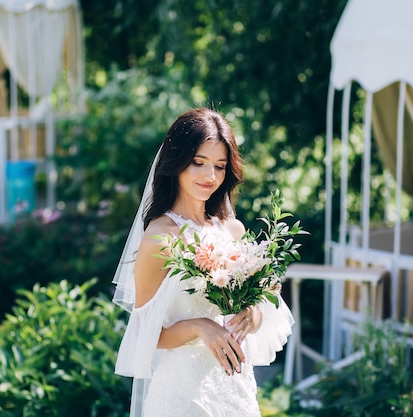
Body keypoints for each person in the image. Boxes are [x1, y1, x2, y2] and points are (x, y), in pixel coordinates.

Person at [113, 107, 294, 417]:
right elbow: (147, 336)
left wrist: (252, 315)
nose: (210, 176)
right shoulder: (160, 238)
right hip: (182, 393)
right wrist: (201, 326)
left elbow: (263, 309)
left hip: (234, 385)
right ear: (177, 162)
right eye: (199, 163)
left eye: (220, 166)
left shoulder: (232, 230)